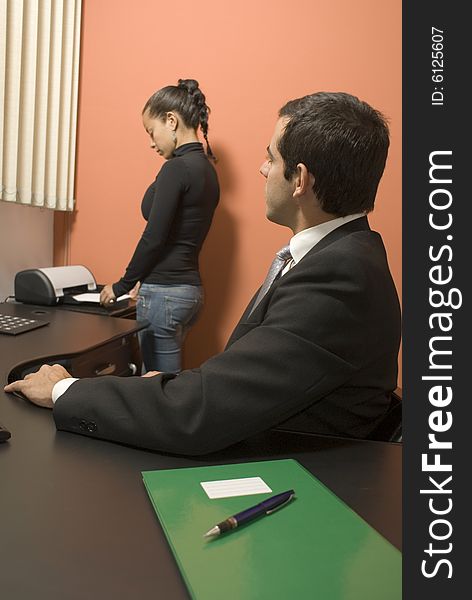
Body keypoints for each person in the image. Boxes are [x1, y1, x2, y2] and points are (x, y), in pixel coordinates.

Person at [5, 91, 401, 456]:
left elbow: (199, 413)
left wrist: (64, 389)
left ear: (299, 179)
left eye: (272, 158)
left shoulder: (339, 277)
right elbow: (251, 377)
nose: (263, 170)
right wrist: (181, 387)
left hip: (296, 472)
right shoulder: (341, 255)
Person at [100, 78, 220, 373]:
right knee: (167, 385)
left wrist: (122, 285)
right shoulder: (206, 170)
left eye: (151, 131)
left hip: (164, 295)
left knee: (158, 390)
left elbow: (154, 236)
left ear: (171, 120)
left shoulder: (177, 168)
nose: (151, 142)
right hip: (190, 294)